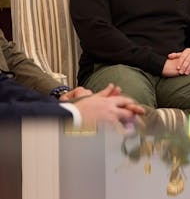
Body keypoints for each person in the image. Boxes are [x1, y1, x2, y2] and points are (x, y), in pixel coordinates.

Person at [1, 29, 144, 126]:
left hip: (25, 103)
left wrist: (60, 94)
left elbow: (10, 61)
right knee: (119, 122)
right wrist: (74, 113)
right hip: (15, 125)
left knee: (133, 114)